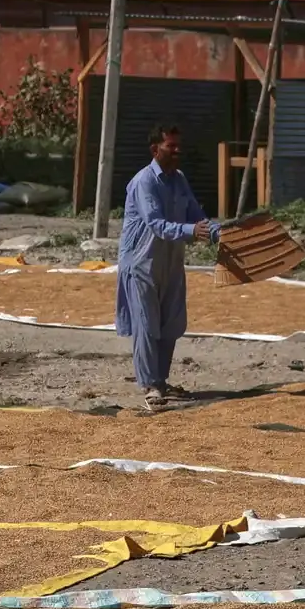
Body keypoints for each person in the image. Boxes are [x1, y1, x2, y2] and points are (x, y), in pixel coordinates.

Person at [117, 123, 216, 413]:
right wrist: (192, 230)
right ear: (155, 150)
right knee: (147, 326)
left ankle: (160, 380)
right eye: (171, 146)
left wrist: (216, 230)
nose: (177, 151)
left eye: (178, 145)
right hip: (142, 262)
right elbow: (156, 223)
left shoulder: (179, 179)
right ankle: (149, 386)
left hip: (171, 261)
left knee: (170, 324)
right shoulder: (144, 181)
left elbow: (195, 214)